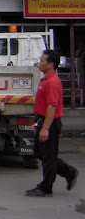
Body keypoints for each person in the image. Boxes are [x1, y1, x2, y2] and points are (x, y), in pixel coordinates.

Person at [26, 49, 79, 197]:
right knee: (40, 152)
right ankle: (69, 172)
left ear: (50, 64)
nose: (40, 63)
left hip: (50, 121)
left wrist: (45, 128)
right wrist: (39, 125)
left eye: (43, 61)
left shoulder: (53, 83)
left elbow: (52, 106)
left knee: (48, 156)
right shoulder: (46, 80)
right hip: (42, 119)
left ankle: (46, 187)